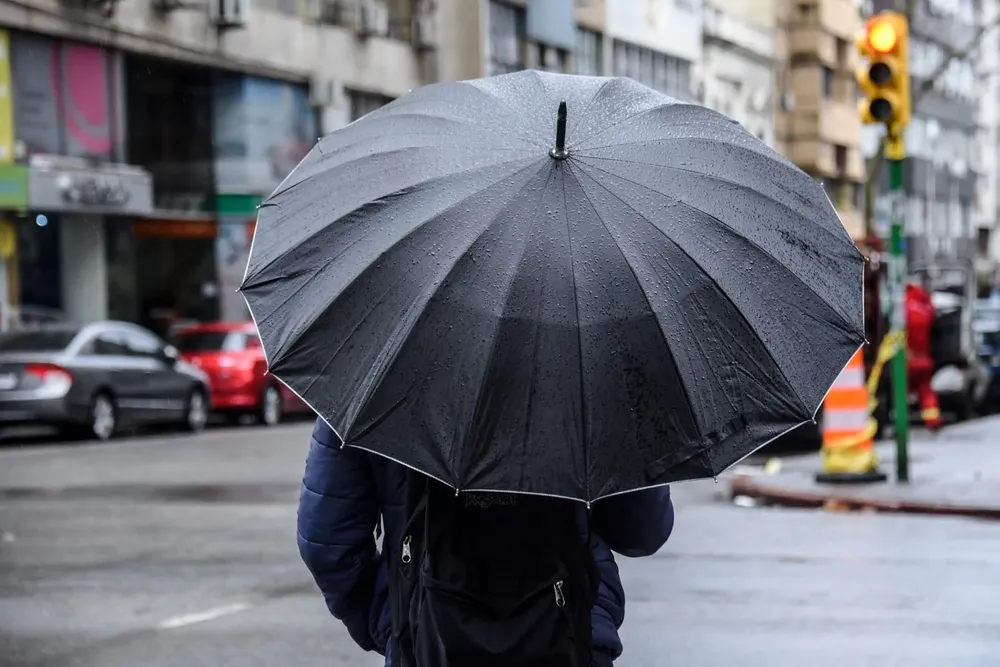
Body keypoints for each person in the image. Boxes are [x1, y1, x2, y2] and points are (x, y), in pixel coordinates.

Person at [298, 417, 676, 666]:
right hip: (572, 634)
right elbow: (641, 530)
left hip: (427, 642)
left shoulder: (375, 361)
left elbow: (328, 542)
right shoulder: (591, 356)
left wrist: (398, 623)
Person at [905, 280, 942, 431]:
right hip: (924, 358)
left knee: (900, 390)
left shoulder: (903, 305)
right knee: (925, 390)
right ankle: (933, 420)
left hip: (907, 358)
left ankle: (901, 422)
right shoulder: (924, 306)